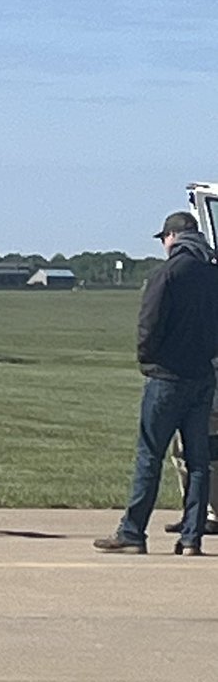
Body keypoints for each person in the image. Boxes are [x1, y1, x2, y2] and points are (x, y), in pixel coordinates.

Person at [95, 211, 218, 556]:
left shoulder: (166, 274)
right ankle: (192, 537)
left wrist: (147, 359)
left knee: (150, 455)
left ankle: (133, 531)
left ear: (172, 237)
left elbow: (148, 323)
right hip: (203, 376)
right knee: (198, 459)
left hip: (166, 377)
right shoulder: (213, 275)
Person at [165, 384, 218, 535]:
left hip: (207, 390)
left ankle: (212, 515)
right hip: (187, 387)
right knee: (180, 452)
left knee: (209, 454)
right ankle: (192, 514)